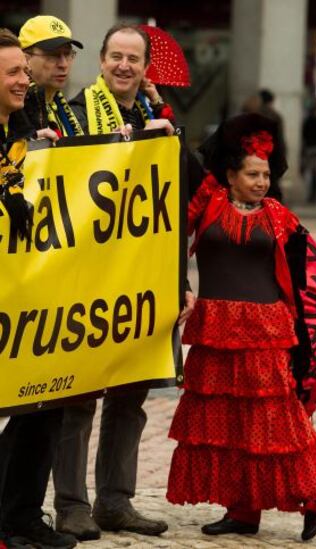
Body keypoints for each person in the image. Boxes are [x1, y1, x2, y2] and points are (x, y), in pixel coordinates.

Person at [166, 113, 316, 542]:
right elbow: (172, 227)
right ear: (230, 175)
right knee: (228, 422)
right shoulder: (206, 204)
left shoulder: (279, 216)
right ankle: (242, 511)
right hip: (214, 329)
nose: (262, 181)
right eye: (252, 173)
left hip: (265, 331)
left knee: (277, 422)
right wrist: (165, 115)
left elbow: (311, 274)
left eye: (266, 174)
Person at [52, 24, 179, 542]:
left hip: (141, 278)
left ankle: (115, 501)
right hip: (86, 278)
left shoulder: (155, 115)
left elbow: (177, 192)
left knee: (130, 396)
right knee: (78, 397)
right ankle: (71, 505)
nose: (125, 66)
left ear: (146, 68)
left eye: (134, 59)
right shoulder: (74, 114)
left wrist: (165, 120)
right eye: (116, 57)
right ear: (101, 61)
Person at [0, 28, 77, 549]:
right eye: (13, 72)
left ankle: (22, 514)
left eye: (25, 71)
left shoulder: (28, 137)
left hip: (34, 298)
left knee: (46, 405)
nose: (24, 79)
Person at [18, 15, 84, 139]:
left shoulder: (59, 104)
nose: (64, 64)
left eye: (68, 54)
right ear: (25, 59)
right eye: (53, 55)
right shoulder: (12, 109)